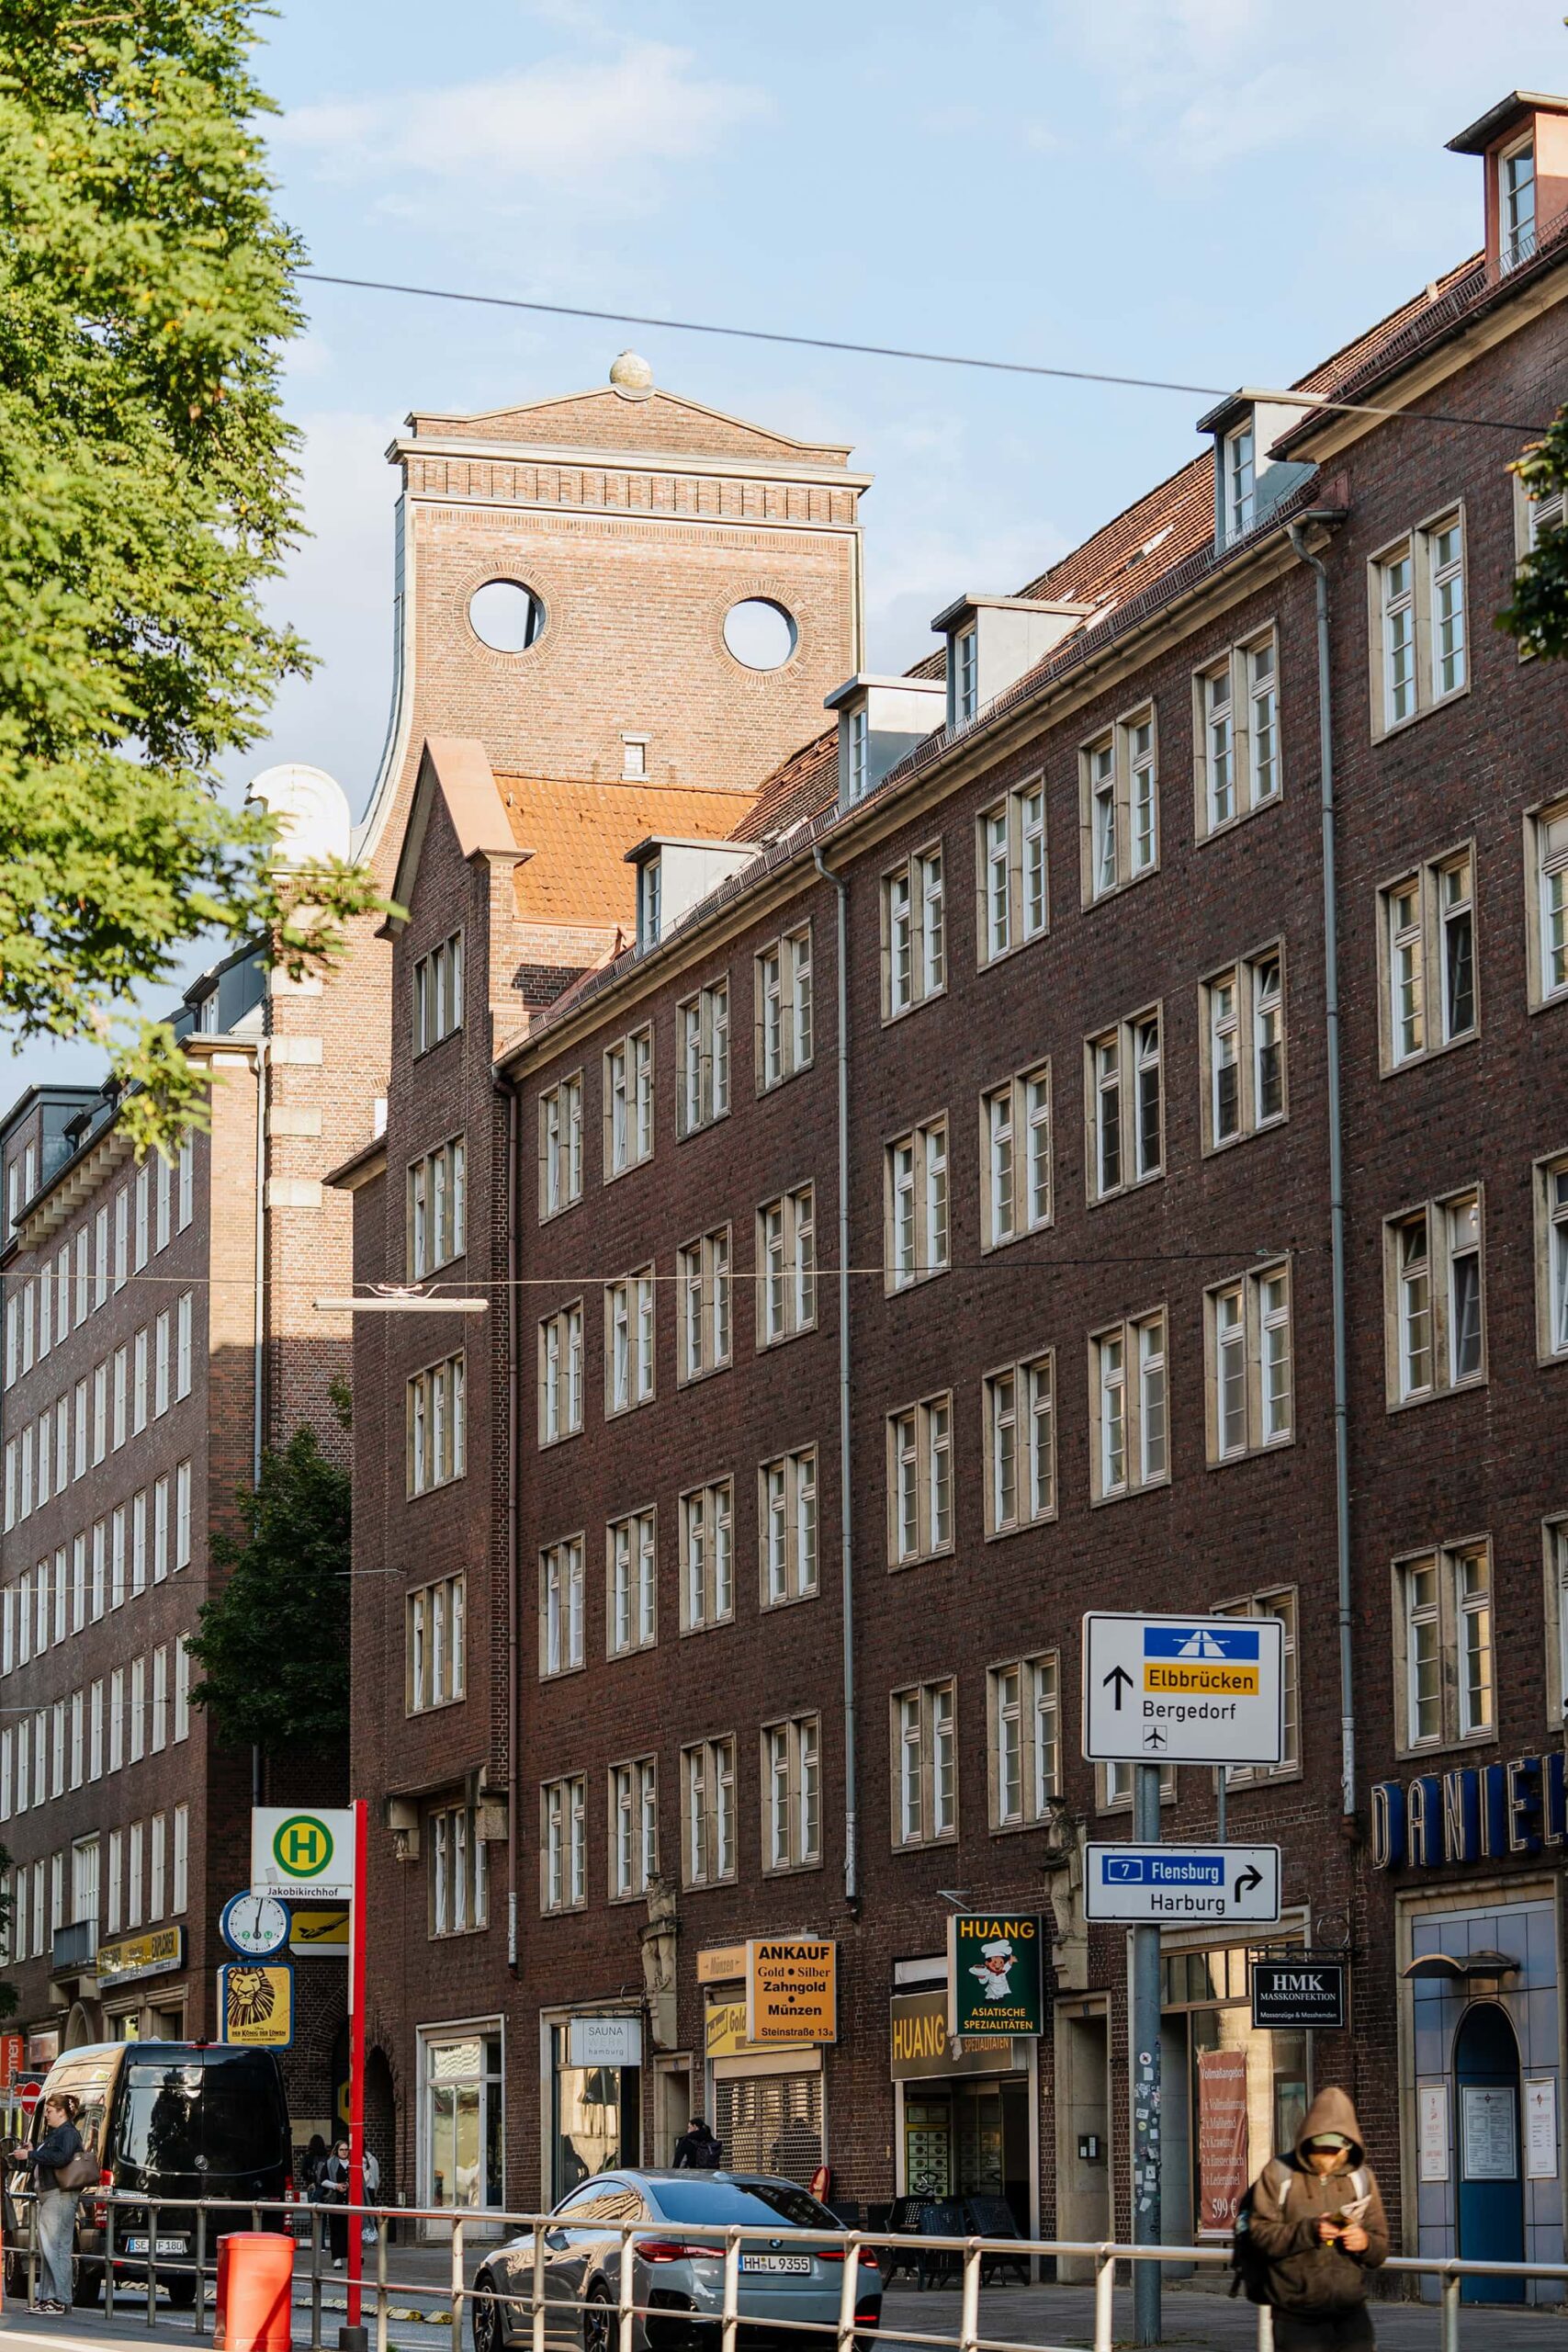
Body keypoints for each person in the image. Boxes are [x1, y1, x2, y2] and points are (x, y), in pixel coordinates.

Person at [1245, 2087, 1389, 2349]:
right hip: (1295, 2314)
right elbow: (1259, 2236)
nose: (1327, 2156)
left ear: (1347, 2147)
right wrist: (1310, 2231)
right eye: (1320, 2146)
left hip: (1351, 2313)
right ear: (1308, 2141)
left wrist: (1365, 2242)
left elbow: (1380, 2248)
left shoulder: (1361, 2178)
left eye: (1334, 2149)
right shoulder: (1279, 2174)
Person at [12, 2093, 85, 2313]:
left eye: (50, 2111)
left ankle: (58, 2299)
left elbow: (61, 2158)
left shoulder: (67, 2133)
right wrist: (34, 2150)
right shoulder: (58, 2133)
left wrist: (33, 2154)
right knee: (49, 2248)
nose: (46, 2116)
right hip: (51, 2194)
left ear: (62, 2112)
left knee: (55, 2248)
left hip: (58, 2194)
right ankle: (49, 2299)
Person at [318, 2138, 352, 2267]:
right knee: (336, 2230)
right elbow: (323, 2180)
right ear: (337, 2151)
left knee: (351, 2230)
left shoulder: (353, 2163)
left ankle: (354, 2255)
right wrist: (335, 2186)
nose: (344, 2152)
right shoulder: (330, 2163)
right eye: (341, 2150)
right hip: (335, 2200)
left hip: (350, 2201)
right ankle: (337, 2258)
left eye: (346, 2150)